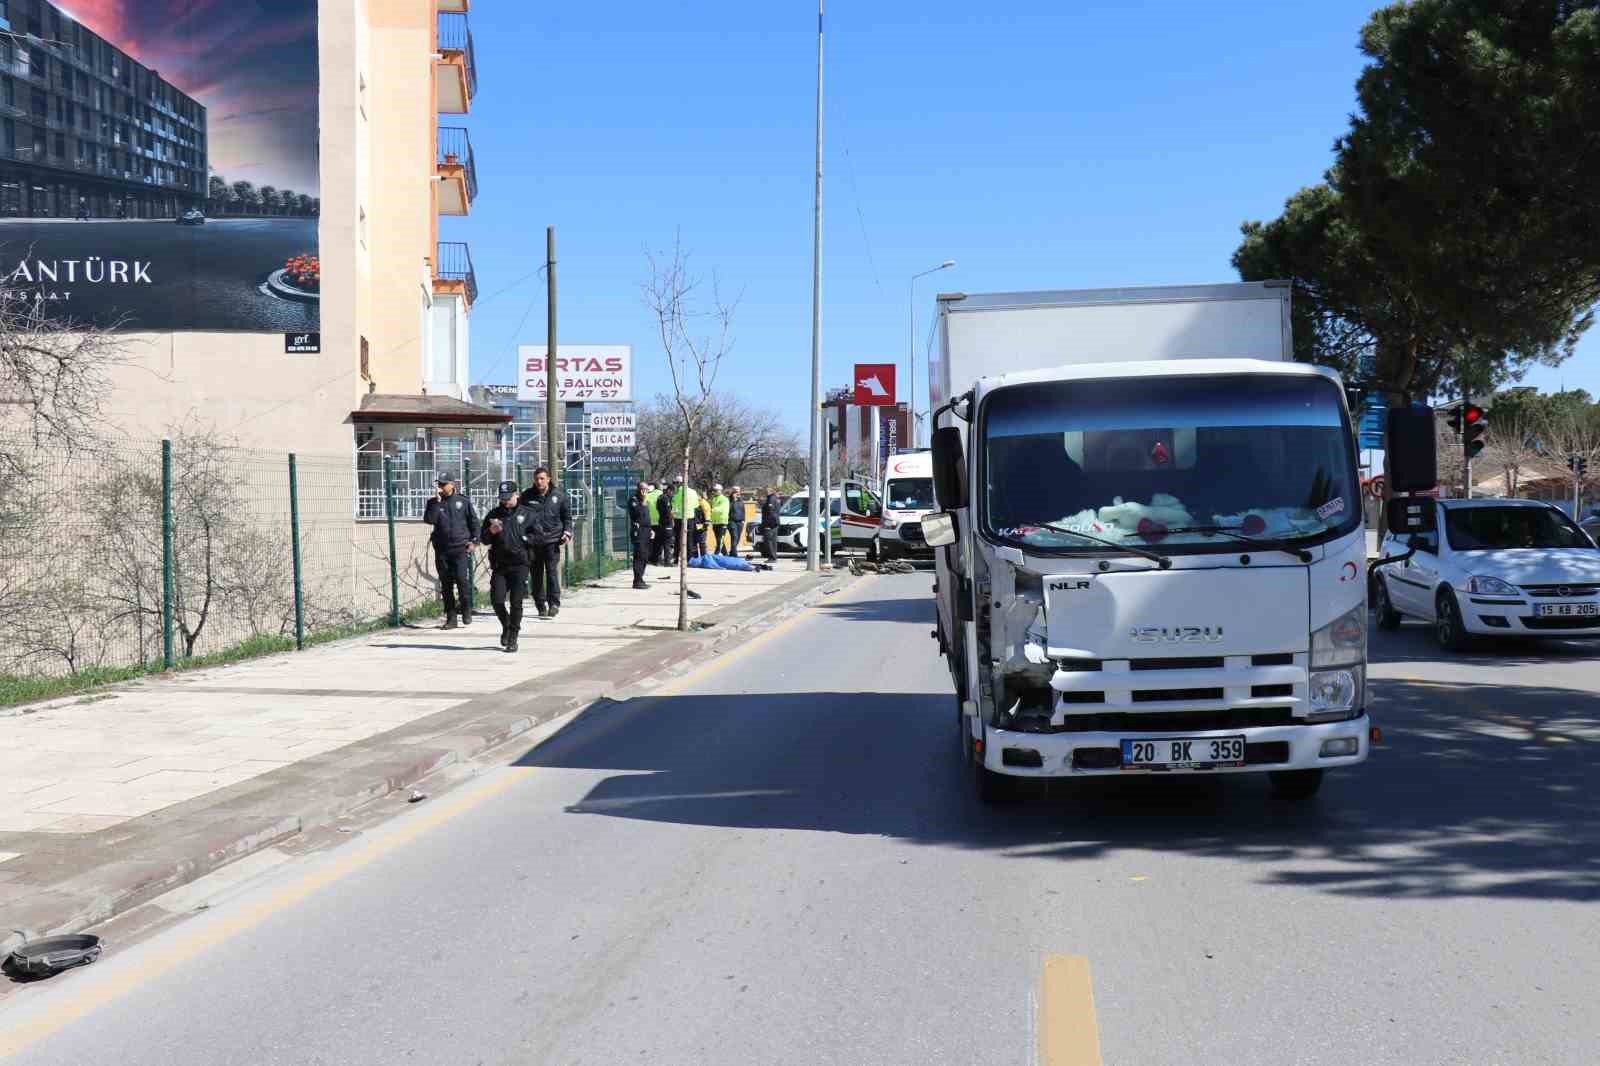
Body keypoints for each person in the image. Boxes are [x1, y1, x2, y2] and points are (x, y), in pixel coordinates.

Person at [481, 481, 533, 652]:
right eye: (502, 499)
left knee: (516, 602)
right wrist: (491, 532)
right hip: (500, 565)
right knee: (496, 600)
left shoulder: (527, 514)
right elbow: (484, 539)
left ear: (516, 495)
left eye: (508, 498)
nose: (505, 502)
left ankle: (513, 637)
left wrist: (526, 540)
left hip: (520, 564)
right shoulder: (493, 515)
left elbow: (538, 534)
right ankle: (507, 624)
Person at [422, 471, 478, 629]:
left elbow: (474, 522)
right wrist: (437, 502)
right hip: (442, 549)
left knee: (461, 580)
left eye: (443, 484)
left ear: (452, 484)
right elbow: (429, 520)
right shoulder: (433, 503)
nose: (440, 487)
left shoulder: (463, 501)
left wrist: (474, 541)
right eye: (439, 484)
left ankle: (466, 607)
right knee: (446, 585)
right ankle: (451, 618)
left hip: (460, 547)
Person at [520, 466, 572, 618]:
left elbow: (567, 517)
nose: (539, 481)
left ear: (548, 479)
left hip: (552, 540)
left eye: (542, 478)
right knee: (536, 575)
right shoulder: (527, 496)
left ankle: (554, 603)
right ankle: (540, 604)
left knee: (551, 573)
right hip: (533, 542)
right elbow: (520, 516)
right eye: (536, 479)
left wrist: (567, 533)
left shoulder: (559, 496)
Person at [628, 480, 652, 590]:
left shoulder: (644, 501)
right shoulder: (634, 500)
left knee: (645, 556)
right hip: (639, 531)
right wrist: (644, 500)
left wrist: (651, 529)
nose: (645, 491)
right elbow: (638, 513)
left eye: (646, 489)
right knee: (639, 556)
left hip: (646, 531)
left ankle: (640, 579)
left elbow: (646, 516)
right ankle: (637, 581)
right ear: (638, 489)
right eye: (643, 489)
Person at [672, 477, 699, 565]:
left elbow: (674, 505)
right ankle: (689, 560)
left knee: (678, 540)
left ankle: (676, 559)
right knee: (689, 540)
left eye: (675, 483)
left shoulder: (677, 493)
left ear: (678, 483)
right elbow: (696, 505)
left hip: (679, 519)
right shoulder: (693, 492)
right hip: (690, 518)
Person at [654, 480, 675, 566]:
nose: (672, 494)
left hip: (661, 522)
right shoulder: (666, 499)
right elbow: (667, 512)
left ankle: (657, 560)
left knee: (659, 542)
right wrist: (672, 518)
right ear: (669, 490)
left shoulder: (659, 497)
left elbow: (658, 508)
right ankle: (667, 561)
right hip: (667, 523)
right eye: (672, 492)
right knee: (667, 542)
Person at [644, 482, 665, 565]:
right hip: (660, 522)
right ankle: (657, 559)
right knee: (659, 542)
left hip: (649, 522)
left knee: (650, 541)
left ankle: (649, 558)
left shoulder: (648, 496)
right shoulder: (662, 495)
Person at [760, 485, 781, 562]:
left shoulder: (771, 499)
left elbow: (771, 513)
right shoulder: (775, 498)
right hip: (774, 523)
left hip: (770, 524)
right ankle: (773, 556)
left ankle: (772, 557)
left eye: (766, 490)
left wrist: (769, 525)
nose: (765, 492)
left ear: (770, 491)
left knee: (768, 541)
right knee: (773, 541)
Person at [708, 484, 731, 555]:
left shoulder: (724, 499)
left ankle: (716, 553)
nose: (714, 492)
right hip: (715, 522)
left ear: (720, 491)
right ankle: (725, 554)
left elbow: (722, 509)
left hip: (722, 522)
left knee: (720, 540)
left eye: (716, 490)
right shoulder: (714, 499)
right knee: (719, 540)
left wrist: (711, 510)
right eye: (713, 490)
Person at [729, 486, 749, 555]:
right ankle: (734, 554)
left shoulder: (740, 500)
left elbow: (743, 510)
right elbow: (729, 509)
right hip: (732, 521)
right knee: (734, 536)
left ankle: (732, 552)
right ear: (732, 491)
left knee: (737, 538)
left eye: (738, 490)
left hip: (740, 521)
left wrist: (743, 519)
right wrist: (733, 500)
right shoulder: (729, 500)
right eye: (735, 490)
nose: (737, 492)